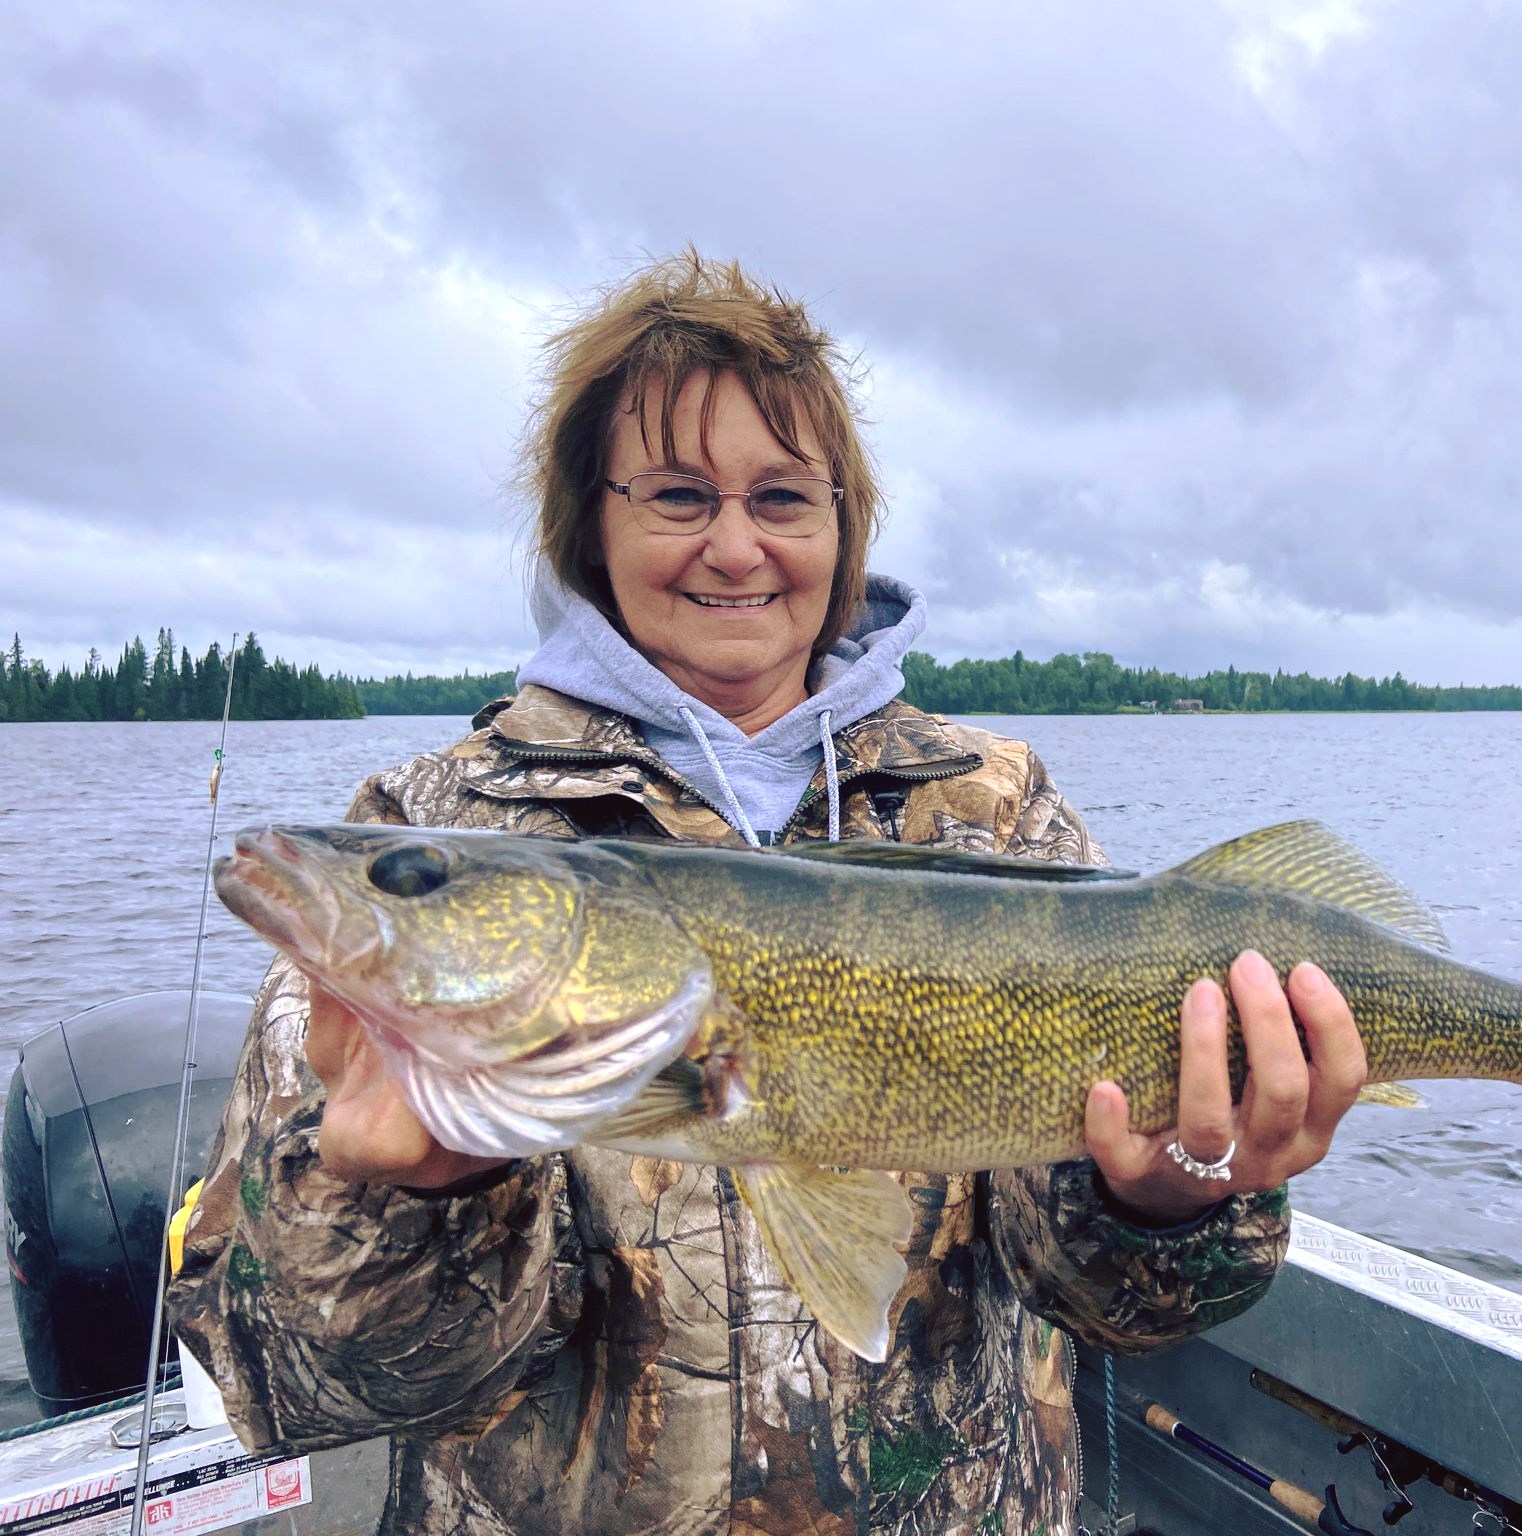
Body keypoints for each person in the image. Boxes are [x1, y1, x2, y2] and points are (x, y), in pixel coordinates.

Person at [169, 252, 1369, 1536]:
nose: (734, 546)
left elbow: (1109, 1304)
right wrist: (407, 1201)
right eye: (678, 494)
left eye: (783, 497)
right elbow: (290, 1389)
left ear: (843, 525)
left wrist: (1169, 1195)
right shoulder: (432, 819)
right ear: (593, 524)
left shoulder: (995, 811)